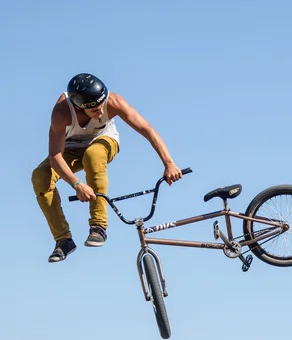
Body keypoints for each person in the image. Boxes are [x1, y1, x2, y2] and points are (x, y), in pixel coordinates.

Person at [32, 73, 182, 262]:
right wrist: (77, 184)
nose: (101, 113)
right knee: (40, 176)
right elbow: (55, 156)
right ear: (79, 107)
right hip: (69, 149)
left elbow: (147, 129)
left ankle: (98, 226)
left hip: (104, 141)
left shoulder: (113, 102)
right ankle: (64, 240)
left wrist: (169, 163)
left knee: (93, 155)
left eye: (101, 106)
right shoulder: (61, 113)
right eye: (94, 110)